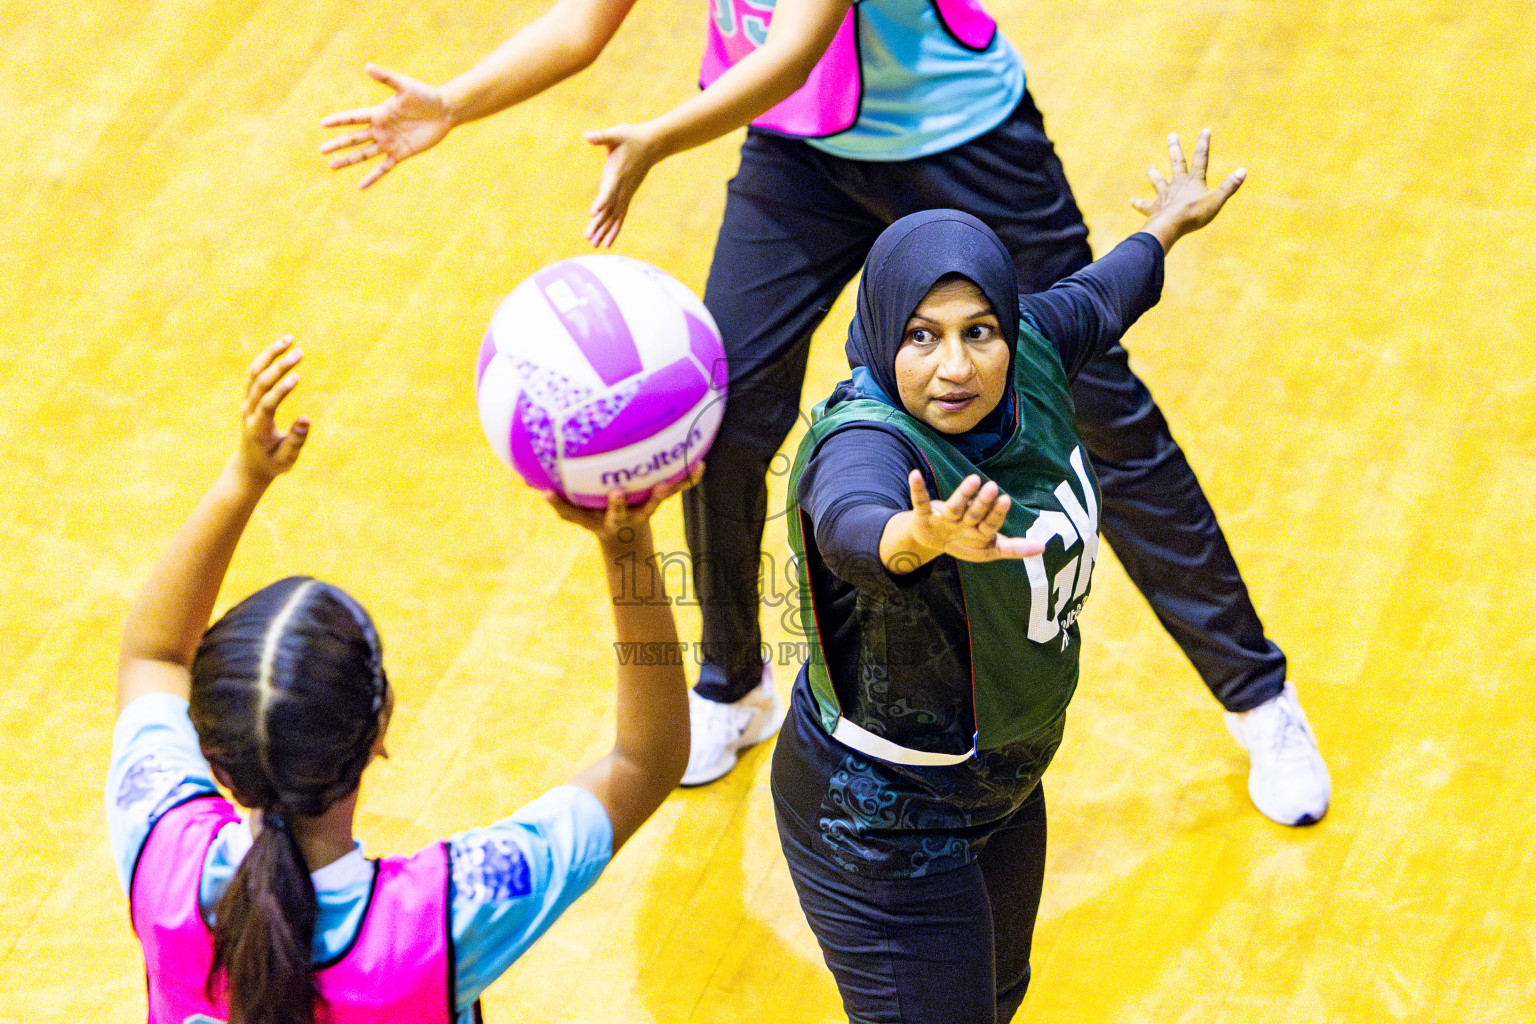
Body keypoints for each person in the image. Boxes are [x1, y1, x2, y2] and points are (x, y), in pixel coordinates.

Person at [317, 0, 1329, 825]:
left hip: (961, 142)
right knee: (720, 420)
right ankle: (733, 684)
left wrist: (660, 139)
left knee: (1100, 415)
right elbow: (585, 21)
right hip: (799, 153)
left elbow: (797, 45)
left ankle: (1257, 695)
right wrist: (451, 101)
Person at [772, 132, 1256, 1023]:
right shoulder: (866, 444)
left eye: (977, 331)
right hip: (878, 822)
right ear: (883, 333)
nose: (955, 366)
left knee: (997, 998)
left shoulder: (1029, 349)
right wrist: (916, 536)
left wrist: (1168, 225)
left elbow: (1102, 295)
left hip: (1002, 784)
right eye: (921, 337)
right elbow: (848, 527)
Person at [108, 337, 696, 1024]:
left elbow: (153, 658)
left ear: (212, 755)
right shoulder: (440, 921)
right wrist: (626, 547)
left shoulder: (163, 859)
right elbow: (646, 761)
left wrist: (243, 478)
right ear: (381, 727)